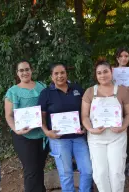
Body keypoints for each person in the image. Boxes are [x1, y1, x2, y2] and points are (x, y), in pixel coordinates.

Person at [38, 63, 92, 191]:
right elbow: (41, 116)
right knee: (66, 174)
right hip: (59, 139)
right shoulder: (46, 93)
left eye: (62, 72)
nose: (60, 76)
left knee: (88, 171)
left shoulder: (77, 89)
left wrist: (85, 127)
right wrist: (46, 132)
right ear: (51, 76)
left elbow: (87, 111)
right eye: (56, 73)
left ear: (66, 73)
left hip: (78, 137)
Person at [81, 58, 129, 192]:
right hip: (96, 138)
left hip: (117, 136)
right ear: (96, 75)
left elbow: (128, 115)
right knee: (100, 173)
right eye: (99, 73)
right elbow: (84, 116)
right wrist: (91, 129)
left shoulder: (122, 91)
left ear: (111, 72)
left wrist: (123, 127)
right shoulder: (89, 92)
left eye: (105, 71)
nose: (103, 75)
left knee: (116, 172)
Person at [4, 61, 48, 192]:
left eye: (27, 69)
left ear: (32, 70)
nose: (25, 72)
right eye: (21, 70)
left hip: (42, 134)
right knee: (31, 171)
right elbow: (8, 115)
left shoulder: (42, 87)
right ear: (17, 73)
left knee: (39, 168)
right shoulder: (13, 91)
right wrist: (16, 130)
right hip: (24, 137)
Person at [114, 47, 129, 176]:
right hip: (116, 107)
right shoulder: (111, 72)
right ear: (117, 57)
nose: (124, 58)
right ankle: (121, 163)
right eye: (121, 56)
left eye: (126, 56)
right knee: (119, 135)